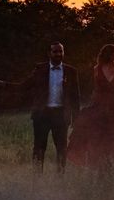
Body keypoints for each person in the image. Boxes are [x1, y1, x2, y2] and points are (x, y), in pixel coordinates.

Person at [16, 42, 80, 173]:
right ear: (49, 53)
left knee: (62, 148)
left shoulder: (71, 72)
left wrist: (76, 118)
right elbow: (24, 86)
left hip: (61, 115)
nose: (58, 54)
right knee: (39, 148)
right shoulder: (39, 70)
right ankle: (37, 178)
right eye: (55, 51)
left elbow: (75, 97)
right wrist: (2, 85)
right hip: (42, 115)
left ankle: (60, 176)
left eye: (61, 51)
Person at [67, 44, 114, 166]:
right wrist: (92, 105)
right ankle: (98, 162)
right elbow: (96, 89)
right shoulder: (97, 69)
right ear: (108, 53)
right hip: (101, 105)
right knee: (99, 134)